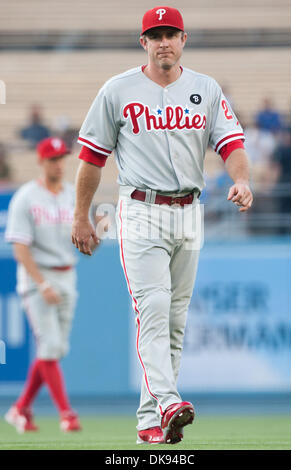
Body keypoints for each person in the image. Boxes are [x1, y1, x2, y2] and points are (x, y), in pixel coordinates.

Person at [71, 6, 253, 445]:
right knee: (152, 307)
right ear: (144, 43)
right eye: (156, 35)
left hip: (190, 211)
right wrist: (81, 216)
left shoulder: (205, 89)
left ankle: (149, 423)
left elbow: (231, 143)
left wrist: (242, 178)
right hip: (140, 209)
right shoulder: (118, 90)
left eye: (171, 33)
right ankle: (170, 401)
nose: (164, 42)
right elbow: (92, 158)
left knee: (173, 321)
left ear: (183, 39)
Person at [4, 137, 81, 433]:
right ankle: (66, 413)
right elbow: (20, 247)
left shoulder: (72, 195)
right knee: (50, 345)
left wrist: (93, 235)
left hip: (67, 273)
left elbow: (84, 234)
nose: (59, 164)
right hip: (39, 277)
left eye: (61, 158)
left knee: (55, 349)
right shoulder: (26, 197)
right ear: (41, 161)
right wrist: (41, 282)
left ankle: (20, 408)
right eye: (53, 159)